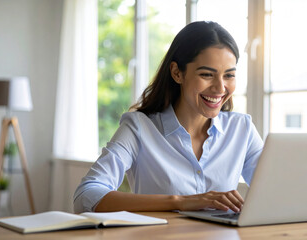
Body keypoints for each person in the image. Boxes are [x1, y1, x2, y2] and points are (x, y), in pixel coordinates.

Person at [73, 21, 263, 214]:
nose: (220, 88)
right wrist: (179, 201)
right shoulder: (139, 127)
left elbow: (277, 190)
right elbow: (86, 195)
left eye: (229, 75)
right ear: (177, 73)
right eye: (207, 74)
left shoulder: (242, 129)